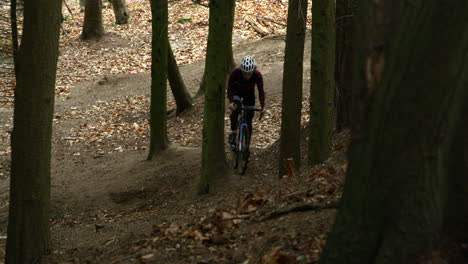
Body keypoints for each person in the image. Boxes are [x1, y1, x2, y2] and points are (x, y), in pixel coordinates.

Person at [227, 55, 265, 147]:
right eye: (244, 73)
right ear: (241, 70)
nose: (247, 76)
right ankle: (233, 132)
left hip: (249, 95)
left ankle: (247, 145)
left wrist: (263, 106)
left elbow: (261, 91)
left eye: (249, 73)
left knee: (249, 119)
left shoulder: (257, 75)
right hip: (237, 92)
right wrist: (231, 102)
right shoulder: (235, 73)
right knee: (236, 109)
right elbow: (229, 88)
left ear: (253, 70)